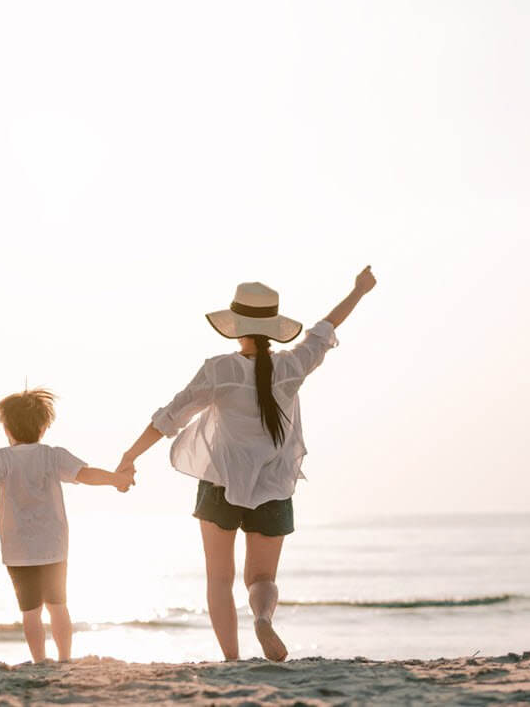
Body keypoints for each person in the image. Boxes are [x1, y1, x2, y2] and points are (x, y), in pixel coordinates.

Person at [116, 267, 377, 662]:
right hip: (274, 485)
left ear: (236, 327)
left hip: (220, 483)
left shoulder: (221, 370)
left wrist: (129, 457)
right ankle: (262, 617)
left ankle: (233, 661)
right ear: (272, 328)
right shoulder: (293, 366)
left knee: (219, 581)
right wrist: (358, 290)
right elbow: (325, 328)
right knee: (262, 578)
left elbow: (170, 417)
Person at [0, 388, 134, 663]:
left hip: (18, 549)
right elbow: (87, 475)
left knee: (30, 611)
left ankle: (38, 660)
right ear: (44, 427)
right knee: (58, 606)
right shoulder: (53, 455)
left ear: (6, 427)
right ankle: (64, 658)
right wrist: (116, 479)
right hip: (53, 546)